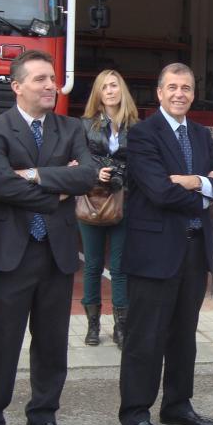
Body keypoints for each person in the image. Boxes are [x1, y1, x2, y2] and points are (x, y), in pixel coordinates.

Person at [0, 50, 100, 425]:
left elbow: (89, 175)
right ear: (17, 86)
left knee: (51, 344)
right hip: (12, 253)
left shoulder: (71, 127)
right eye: (41, 79)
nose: (50, 85)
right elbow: (1, 185)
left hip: (56, 254)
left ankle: (43, 416)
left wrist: (34, 174)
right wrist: (58, 187)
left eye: (52, 78)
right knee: (2, 343)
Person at [117, 63, 213, 425]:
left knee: (184, 335)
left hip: (193, 251)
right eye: (172, 87)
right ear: (158, 92)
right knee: (145, 338)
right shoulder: (142, 135)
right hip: (154, 252)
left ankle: (177, 405)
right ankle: (135, 412)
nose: (180, 94)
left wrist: (192, 181)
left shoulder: (202, 135)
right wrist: (206, 190)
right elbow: (158, 191)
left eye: (186, 87)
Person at [78, 69, 139, 348]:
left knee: (120, 268)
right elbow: (77, 160)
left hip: (123, 202)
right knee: (91, 266)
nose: (110, 91)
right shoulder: (85, 125)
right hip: (93, 199)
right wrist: (95, 172)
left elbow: (140, 163)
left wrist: (119, 173)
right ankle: (93, 326)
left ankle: (121, 327)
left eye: (115, 85)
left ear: (122, 89)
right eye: (105, 87)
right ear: (98, 93)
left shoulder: (135, 126)